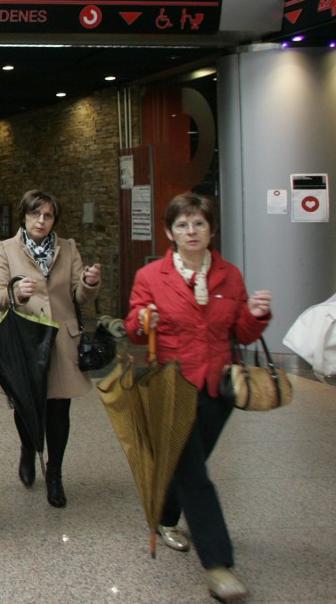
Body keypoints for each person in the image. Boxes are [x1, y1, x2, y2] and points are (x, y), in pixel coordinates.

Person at [125, 193, 271, 603]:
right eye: (183, 225)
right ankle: (219, 565)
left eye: (199, 224)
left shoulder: (230, 276)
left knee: (186, 464)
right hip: (174, 388)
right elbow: (134, 327)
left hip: (218, 390)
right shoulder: (152, 276)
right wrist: (143, 318)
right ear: (170, 232)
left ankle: (166, 516)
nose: (192, 232)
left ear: (211, 230)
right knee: (195, 475)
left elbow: (240, 333)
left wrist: (256, 315)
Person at [0, 189, 101, 508]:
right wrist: (16, 293)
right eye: (35, 214)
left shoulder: (69, 248)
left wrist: (89, 283)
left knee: (59, 411)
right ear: (24, 216)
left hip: (62, 341)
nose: (41, 221)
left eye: (48, 215)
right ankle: (28, 446)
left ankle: (55, 473)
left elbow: (78, 296)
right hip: (26, 340)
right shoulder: (3, 249)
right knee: (25, 408)